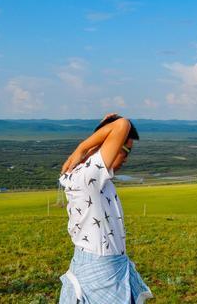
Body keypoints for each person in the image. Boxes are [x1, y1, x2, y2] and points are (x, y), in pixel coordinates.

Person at [58, 114, 153, 303]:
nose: (126, 158)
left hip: (101, 264)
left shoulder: (88, 175)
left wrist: (103, 127)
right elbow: (122, 125)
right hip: (101, 268)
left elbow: (115, 128)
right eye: (124, 150)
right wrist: (82, 147)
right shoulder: (88, 178)